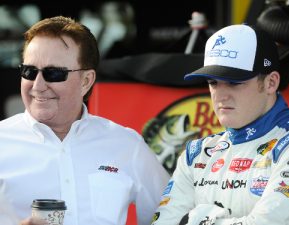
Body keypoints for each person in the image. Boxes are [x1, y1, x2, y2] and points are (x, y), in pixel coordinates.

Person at [0, 16, 169, 225]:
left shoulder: (127, 145)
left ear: (86, 81)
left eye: (53, 73)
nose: (38, 85)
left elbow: (172, 217)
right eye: (29, 71)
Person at [151, 24, 289, 225]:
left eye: (234, 82)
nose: (221, 95)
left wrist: (196, 219)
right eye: (213, 83)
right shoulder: (197, 153)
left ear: (271, 83)